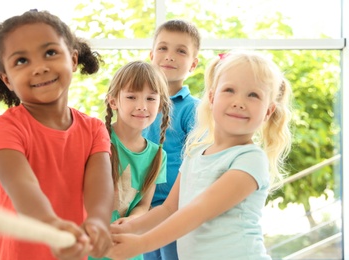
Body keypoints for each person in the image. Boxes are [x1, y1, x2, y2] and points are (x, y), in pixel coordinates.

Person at [107, 50, 293, 259]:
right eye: (229, 90)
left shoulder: (250, 159)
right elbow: (168, 209)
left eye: (253, 95)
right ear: (212, 97)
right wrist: (125, 229)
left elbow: (198, 211)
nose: (239, 102)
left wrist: (141, 243)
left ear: (268, 111)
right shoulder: (195, 152)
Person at [0, 10, 114, 260]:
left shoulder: (95, 129)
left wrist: (97, 222)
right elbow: (22, 185)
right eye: (21, 60)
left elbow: (100, 186)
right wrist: (49, 224)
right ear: (7, 79)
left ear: (73, 59)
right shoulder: (7, 129)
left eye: (50, 53)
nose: (40, 68)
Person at [89, 61, 171, 260]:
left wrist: (130, 222)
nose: (142, 106)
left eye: (151, 98)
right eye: (131, 97)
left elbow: (143, 205)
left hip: (126, 250)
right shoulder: (94, 138)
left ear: (160, 105)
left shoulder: (158, 155)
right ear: (113, 101)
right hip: (88, 246)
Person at [142, 19, 201, 260]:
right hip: (141, 209)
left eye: (181, 51)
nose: (170, 56)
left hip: (175, 210)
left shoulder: (193, 109)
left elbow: (198, 160)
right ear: (151, 55)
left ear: (193, 64)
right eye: (163, 48)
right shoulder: (139, 107)